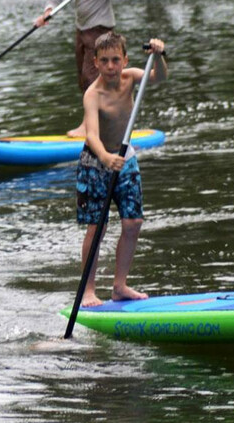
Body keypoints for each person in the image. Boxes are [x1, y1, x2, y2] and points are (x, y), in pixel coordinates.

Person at [75, 32, 166, 307]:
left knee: (133, 222)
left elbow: (158, 78)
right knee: (97, 228)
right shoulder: (93, 94)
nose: (112, 66)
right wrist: (104, 157)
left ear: (125, 60)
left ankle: (119, 285)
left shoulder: (130, 78)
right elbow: (91, 134)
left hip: (125, 158)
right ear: (96, 63)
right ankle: (89, 290)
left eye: (116, 60)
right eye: (105, 61)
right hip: (95, 163)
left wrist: (159, 56)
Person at [33, 0, 130, 137]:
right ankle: (102, 122)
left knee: (91, 77)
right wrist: (47, 11)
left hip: (102, 28)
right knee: (82, 79)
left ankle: (89, 127)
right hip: (82, 30)